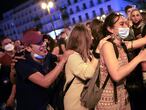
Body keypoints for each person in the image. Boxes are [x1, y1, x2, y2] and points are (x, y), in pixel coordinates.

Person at [95, 12, 146, 110]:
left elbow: (144, 40)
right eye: (122, 24)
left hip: (124, 98)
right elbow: (117, 75)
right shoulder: (107, 46)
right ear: (110, 29)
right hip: (109, 103)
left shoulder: (122, 45)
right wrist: (139, 58)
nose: (126, 27)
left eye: (126, 23)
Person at [15, 30, 73, 110]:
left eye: (42, 41)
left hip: (46, 105)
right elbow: (44, 82)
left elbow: (60, 57)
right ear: (28, 48)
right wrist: (62, 62)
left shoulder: (45, 55)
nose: (44, 44)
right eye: (39, 43)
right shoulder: (22, 63)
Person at [64, 24, 110, 110]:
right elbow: (88, 73)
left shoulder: (86, 54)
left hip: (84, 101)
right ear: (83, 39)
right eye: (90, 36)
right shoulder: (73, 57)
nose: (92, 38)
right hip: (75, 104)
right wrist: (97, 51)